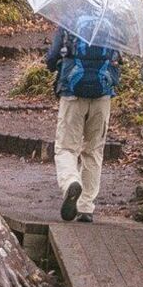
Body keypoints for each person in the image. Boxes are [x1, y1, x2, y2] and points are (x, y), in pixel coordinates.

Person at [45, 17, 123, 223]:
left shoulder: (70, 21)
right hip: (102, 96)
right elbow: (118, 60)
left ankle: (71, 181)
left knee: (66, 148)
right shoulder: (113, 24)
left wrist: (54, 65)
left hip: (72, 93)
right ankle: (86, 206)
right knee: (94, 150)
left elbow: (52, 58)